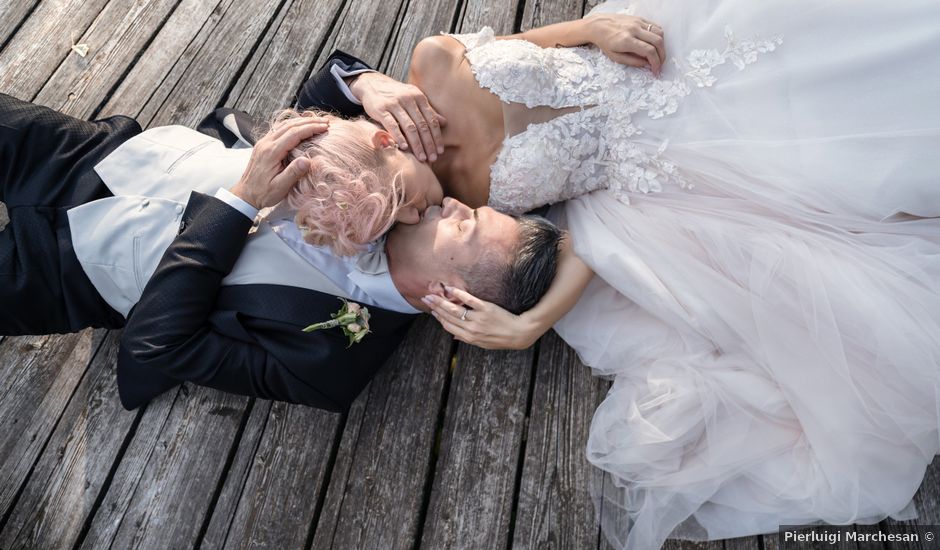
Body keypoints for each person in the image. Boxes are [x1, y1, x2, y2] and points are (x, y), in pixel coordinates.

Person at [299, 0, 940, 548]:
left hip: (657, 64)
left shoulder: (430, 61)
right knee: (841, 173)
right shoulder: (481, 202)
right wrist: (532, 321)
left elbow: (524, 44)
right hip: (664, 163)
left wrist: (591, 29)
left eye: (404, 196)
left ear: (382, 140)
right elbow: (583, 240)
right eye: (401, 221)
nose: (419, 210)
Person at [0, 92, 561, 412]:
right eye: (475, 209)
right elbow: (330, 97)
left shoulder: (330, 365)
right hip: (95, 153)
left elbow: (156, 344)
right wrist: (366, 82)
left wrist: (242, 203)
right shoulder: (403, 195)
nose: (458, 207)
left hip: (59, 272)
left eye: (466, 228)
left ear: (450, 297)